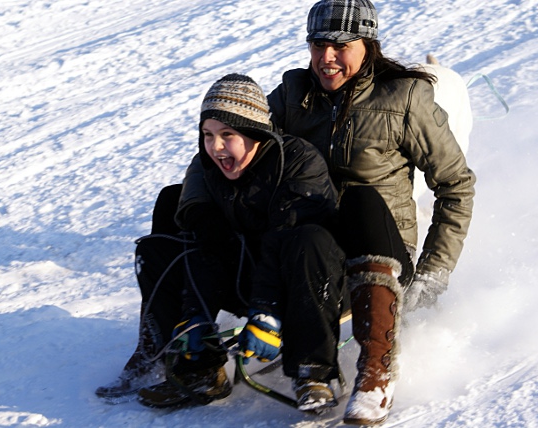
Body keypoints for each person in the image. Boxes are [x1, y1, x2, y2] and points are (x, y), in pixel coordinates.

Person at [98, 0, 476, 424]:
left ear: (367, 44)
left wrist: (433, 271)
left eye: (340, 46)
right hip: (300, 232)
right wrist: (202, 211)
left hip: (371, 243)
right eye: (317, 45)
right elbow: (233, 136)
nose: (325, 58)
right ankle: (177, 348)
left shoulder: (404, 98)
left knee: (360, 198)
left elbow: (456, 186)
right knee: (177, 199)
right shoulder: (296, 94)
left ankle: (375, 370)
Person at [104, 73, 348, 412]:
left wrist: (267, 311)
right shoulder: (210, 168)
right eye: (208, 135)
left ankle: (312, 374)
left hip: (307, 281)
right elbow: (203, 248)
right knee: (158, 247)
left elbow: (284, 243)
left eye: (227, 135)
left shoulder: (296, 161)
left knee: (308, 239)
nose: (215, 146)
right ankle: (189, 363)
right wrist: (195, 315)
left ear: (255, 132)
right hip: (247, 274)